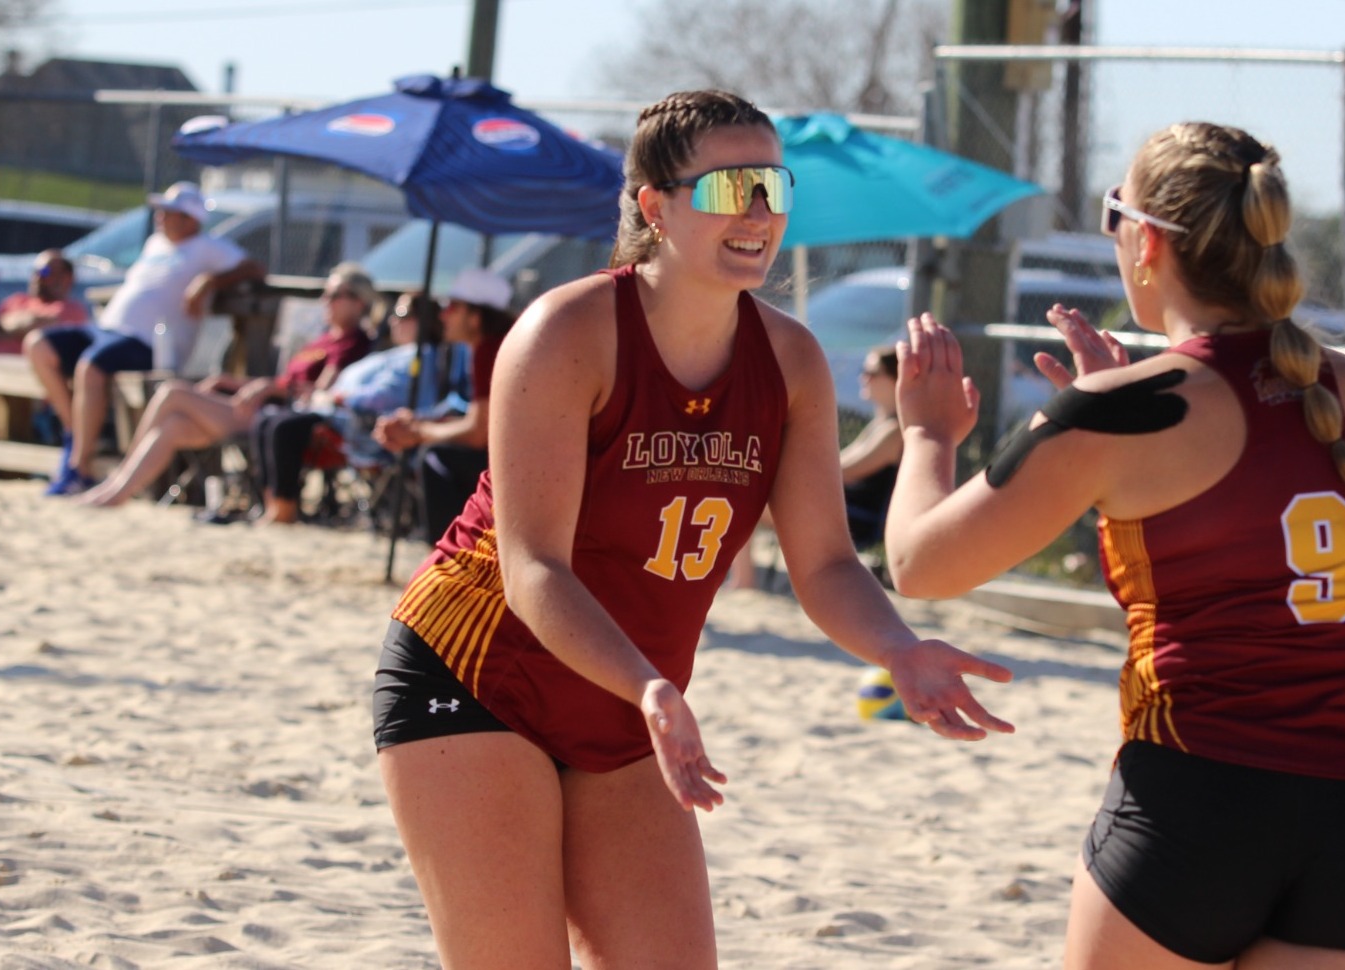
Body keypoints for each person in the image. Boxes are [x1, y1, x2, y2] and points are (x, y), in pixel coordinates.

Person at [375, 89, 1013, 969]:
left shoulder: (790, 360)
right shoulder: (568, 330)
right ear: (655, 207)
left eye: (773, 187)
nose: (758, 212)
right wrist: (646, 684)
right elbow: (532, 569)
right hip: (480, 674)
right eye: (729, 188)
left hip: (635, 703)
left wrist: (898, 650)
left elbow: (825, 562)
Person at [882, 121, 1345, 969]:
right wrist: (1106, 404)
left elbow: (919, 565)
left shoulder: (1122, 411)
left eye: (1112, 218)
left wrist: (922, 434)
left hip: (1200, 798)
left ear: (1146, 241)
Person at [26, 181, 265, 495]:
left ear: (190, 219)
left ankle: (79, 466)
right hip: (108, 328)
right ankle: (73, 429)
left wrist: (209, 281)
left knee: (90, 367)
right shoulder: (156, 243)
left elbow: (254, 268)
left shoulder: (208, 247)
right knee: (38, 345)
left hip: (149, 341)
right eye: (162, 211)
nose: (161, 217)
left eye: (170, 212)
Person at [75, 263, 375, 508]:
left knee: (172, 393)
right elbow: (285, 382)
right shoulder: (323, 338)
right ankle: (117, 493)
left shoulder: (351, 344)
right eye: (326, 293)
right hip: (263, 408)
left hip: (282, 420)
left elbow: (321, 395)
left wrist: (264, 389)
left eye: (336, 295)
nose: (326, 300)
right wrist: (232, 382)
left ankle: (116, 481)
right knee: (174, 426)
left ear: (359, 302)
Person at [250, 291, 465, 526]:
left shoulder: (421, 357)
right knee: (267, 420)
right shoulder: (400, 353)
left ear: (423, 320)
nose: (393, 320)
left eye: (401, 314)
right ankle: (271, 504)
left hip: (363, 424)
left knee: (284, 427)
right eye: (393, 314)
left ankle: (284, 509)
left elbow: (389, 395)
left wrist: (341, 398)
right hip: (341, 413)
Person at [726, 342, 903, 589]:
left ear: (895, 381)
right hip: (835, 506)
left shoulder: (894, 433)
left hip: (851, 518)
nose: (864, 377)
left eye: (872, 373)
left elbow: (841, 472)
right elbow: (835, 467)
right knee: (742, 491)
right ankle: (743, 581)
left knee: (743, 497)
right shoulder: (881, 424)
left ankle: (744, 582)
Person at [370, 267, 513, 544]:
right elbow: (476, 420)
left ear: (475, 317)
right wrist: (420, 425)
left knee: (436, 457)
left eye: (452, 306)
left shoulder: (489, 348)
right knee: (437, 453)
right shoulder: (486, 345)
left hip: (523, 465)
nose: (443, 314)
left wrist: (419, 433)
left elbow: (477, 433)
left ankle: (449, 556)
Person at [0, 250, 92, 354]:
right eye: (35, 271)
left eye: (45, 271)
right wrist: (17, 329)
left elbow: (35, 326)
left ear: (66, 278)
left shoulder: (71, 309)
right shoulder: (18, 299)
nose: (37, 277)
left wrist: (1, 324)